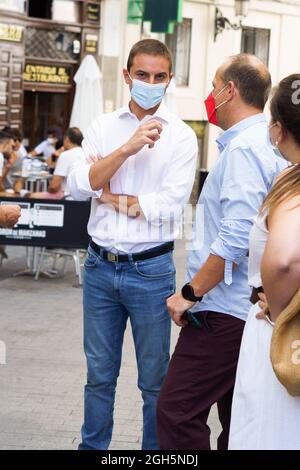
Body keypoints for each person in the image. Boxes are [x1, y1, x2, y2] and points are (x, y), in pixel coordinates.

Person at [68, 38, 198, 450]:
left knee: (155, 382)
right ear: (127, 76)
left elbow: (168, 207)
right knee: (99, 376)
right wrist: (126, 148)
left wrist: (107, 196)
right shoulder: (105, 127)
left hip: (152, 269)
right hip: (100, 267)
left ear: (169, 79)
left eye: (159, 76)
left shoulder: (181, 137)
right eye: (142, 75)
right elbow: (78, 185)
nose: (150, 83)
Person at [156, 53, 288, 450]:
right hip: (240, 308)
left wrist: (190, 293)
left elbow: (235, 235)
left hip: (223, 309)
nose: (210, 95)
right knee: (237, 421)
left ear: (229, 90)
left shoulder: (245, 149)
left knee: (176, 412)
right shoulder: (261, 144)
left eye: (214, 85)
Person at [229, 74, 300, 450]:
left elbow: (284, 259)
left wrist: (276, 305)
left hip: (283, 332)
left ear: (278, 130)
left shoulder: (293, 183)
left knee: (267, 431)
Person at [30, 127, 85, 200]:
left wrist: (48, 188)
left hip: (66, 197)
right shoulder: (85, 154)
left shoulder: (66, 155)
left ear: (67, 139)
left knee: (30, 196)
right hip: (82, 198)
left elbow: (54, 187)